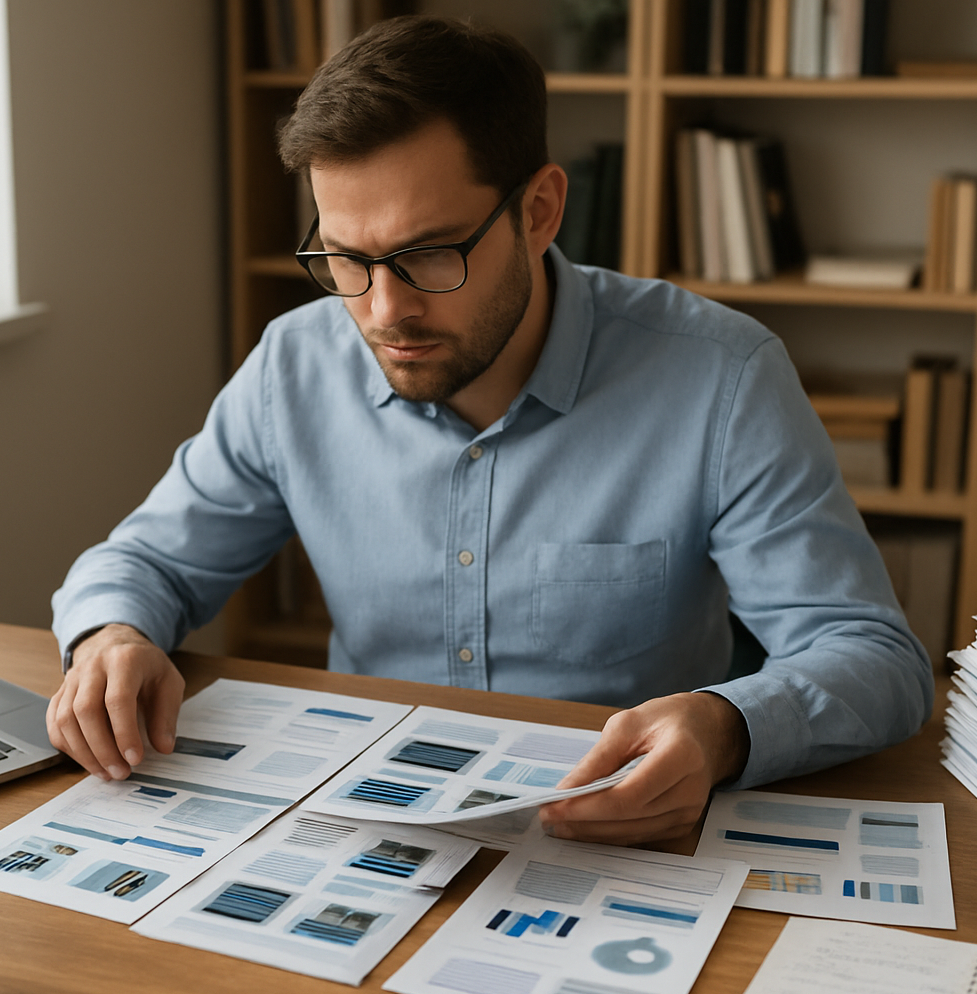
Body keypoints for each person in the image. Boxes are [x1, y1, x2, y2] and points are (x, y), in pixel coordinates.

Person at [47, 15, 932, 845]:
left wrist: (727, 726)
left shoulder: (721, 378)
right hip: (368, 829)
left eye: (429, 253)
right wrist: (112, 638)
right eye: (346, 259)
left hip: (611, 838)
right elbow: (146, 562)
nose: (383, 311)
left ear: (540, 212)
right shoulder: (294, 367)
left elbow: (875, 658)